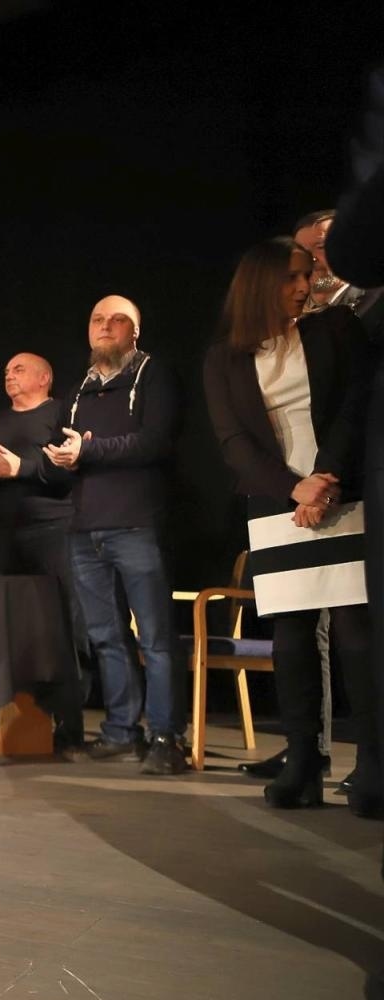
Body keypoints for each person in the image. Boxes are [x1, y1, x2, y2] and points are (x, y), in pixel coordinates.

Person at [204, 237, 375, 812]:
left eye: (309, 275)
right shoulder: (225, 356)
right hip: (277, 503)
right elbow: (234, 442)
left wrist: (324, 476)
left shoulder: (336, 329)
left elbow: (357, 406)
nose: (305, 286)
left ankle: (374, 764)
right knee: (293, 636)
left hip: (343, 492)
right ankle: (304, 761)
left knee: (357, 632)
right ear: (261, 284)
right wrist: (291, 487)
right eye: (294, 277)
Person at [44, 295, 185, 774]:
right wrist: (51, 461)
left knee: (156, 638)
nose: (105, 327)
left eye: (117, 320)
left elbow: (154, 441)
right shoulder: (80, 388)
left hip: (136, 524)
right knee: (105, 636)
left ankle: (166, 736)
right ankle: (121, 731)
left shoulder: (153, 375)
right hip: (85, 528)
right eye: (97, 320)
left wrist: (89, 450)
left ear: (135, 331)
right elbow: (70, 452)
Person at [0, 353, 89, 753]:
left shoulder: (62, 414)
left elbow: (65, 467)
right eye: (5, 371)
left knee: (63, 627)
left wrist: (18, 466)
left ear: (45, 377)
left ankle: (68, 725)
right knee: (4, 626)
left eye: (18, 369)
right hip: (2, 534)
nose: (9, 375)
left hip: (54, 530)